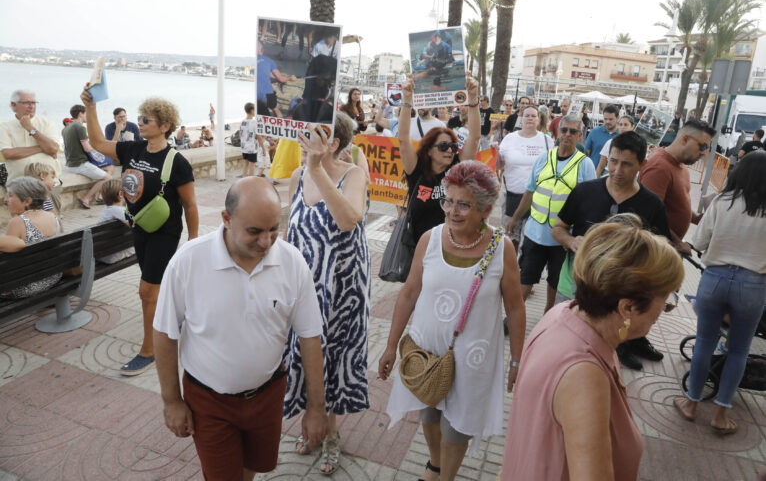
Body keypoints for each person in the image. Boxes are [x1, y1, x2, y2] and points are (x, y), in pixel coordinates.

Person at [153, 177, 328, 480]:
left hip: (268, 394)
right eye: (254, 231)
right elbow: (165, 333)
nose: (266, 242)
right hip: (208, 401)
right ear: (226, 219)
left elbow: (310, 337)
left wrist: (317, 408)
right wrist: (172, 400)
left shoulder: (292, 262)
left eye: (274, 229)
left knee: (253, 468)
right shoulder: (188, 261)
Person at [501, 218, 683, 481]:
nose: (666, 307)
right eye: (665, 298)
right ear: (627, 308)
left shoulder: (565, 313)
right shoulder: (584, 375)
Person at [379, 161, 526, 481]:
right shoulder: (429, 240)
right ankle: (435, 463)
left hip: (473, 358)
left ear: (486, 210)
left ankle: (445, 477)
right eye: (448, 201)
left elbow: (515, 308)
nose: (452, 211)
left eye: (464, 205)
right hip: (426, 351)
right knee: (429, 413)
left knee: (457, 427)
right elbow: (408, 294)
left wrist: (517, 360)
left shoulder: (503, 249)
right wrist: (390, 346)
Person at [80, 87, 199, 376]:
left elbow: (190, 204)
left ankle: (150, 349)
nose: (141, 122)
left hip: (164, 233)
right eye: (140, 118)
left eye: (147, 119)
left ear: (165, 126)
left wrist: (193, 241)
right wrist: (92, 107)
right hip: (139, 227)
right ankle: (174, 316)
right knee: (154, 288)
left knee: (146, 290)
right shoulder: (133, 149)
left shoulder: (176, 161)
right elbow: (97, 142)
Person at [283, 113, 370, 475]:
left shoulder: (354, 175)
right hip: (304, 288)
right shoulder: (295, 176)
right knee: (305, 355)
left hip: (344, 287)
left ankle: (331, 433)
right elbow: (290, 232)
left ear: (333, 143)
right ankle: (311, 422)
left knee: (336, 356)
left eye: (314, 133)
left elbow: (349, 218)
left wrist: (317, 168)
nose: (303, 137)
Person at [552, 131, 671, 371]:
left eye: (626, 164)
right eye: (613, 161)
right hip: (575, 286)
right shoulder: (585, 191)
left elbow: (661, 253)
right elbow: (558, 229)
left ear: (642, 165)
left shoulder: (652, 204)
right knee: (565, 344)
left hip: (620, 296)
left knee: (603, 353)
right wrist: (572, 242)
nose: (617, 170)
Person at [674, 151, 766, 435]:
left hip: (714, 278)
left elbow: (699, 240)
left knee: (703, 342)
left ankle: (691, 405)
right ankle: (721, 414)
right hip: (753, 285)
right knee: (738, 350)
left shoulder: (722, 201)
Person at [507, 114, 596, 311]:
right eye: (564, 130)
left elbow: (590, 203)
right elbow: (529, 191)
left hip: (563, 240)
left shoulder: (585, 164)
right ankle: (513, 318)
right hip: (534, 234)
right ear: (557, 132)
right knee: (526, 277)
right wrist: (515, 219)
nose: (567, 135)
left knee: (555, 284)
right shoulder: (543, 158)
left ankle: (548, 317)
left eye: (573, 132)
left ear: (579, 135)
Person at [398, 73, 480, 244]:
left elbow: (475, 137)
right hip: (418, 248)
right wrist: (407, 100)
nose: (449, 151)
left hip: (451, 246)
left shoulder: (457, 167)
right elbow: (403, 139)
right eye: (443, 146)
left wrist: (473, 98)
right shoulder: (416, 169)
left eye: (453, 147)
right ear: (429, 150)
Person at [638, 118, 716, 255]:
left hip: (667, 251)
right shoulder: (659, 168)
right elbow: (649, 216)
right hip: (656, 253)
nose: (704, 153)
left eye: (707, 148)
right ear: (685, 139)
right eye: (703, 146)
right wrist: (678, 243)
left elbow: (676, 204)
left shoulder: (680, 165)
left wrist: (698, 218)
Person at [498, 105, 552, 249]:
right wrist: (494, 153)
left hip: (538, 198)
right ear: (521, 119)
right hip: (512, 195)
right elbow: (499, 165)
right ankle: (510, 267)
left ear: (539, 119)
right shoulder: (509, 138)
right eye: (527, 115)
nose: (530, 118)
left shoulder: (547, 141)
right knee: (510, 239)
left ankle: (524, 269)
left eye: (533, 116)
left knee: (530, 240)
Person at [0, 177, 63, 297]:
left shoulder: (18, 222)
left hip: (24, 286)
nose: (5, 200)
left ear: (27, 201)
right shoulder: (54, 217)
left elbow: (7, 262)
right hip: (53, 277)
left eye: (10, 196)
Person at [0, 90, 61, 182]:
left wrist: (31, 128)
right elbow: (8, 153)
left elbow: (53, 149)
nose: (31, 106)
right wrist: (43, 147)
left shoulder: (47, 124)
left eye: (33, 103)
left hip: (49, 184)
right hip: (19, 184)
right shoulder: (4, 127)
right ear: (13, 105)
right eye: (26, 103)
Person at [63, 105, 113, 209]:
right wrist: (99, 150)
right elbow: (87, 148)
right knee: (108, 178)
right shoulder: (80, 127)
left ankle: (100, 195)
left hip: (70, 163)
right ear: (80, 114)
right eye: (86, 114)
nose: (87, 116)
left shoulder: (67, 128)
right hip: (80, 164)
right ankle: (86, 199)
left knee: (109, 167)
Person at [95, 179, 135, 264]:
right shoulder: (119, 211)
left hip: (102, 253)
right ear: (120, 194)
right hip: (111, 256)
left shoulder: (107, 210)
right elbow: (135, 226)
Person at [257, 41, 297, 117]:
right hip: (267, 95)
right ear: (261, 49)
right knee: (275, 109)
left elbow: (261, 78)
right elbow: (281, 78)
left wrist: (274, 80)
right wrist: (290, 78)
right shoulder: (268, 60)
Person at [584, 104, 619, 169]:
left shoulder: (621, 136)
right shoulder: (594, 132)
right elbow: (586, 154)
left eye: (611, 119)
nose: (607, 121)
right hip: (593, 173)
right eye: (605, 119)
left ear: (617, 118)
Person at [240, 103, 258, 178]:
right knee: (252, 165)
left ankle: (244, 180)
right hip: (252, 148)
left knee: (246, 164)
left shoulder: (242, 121)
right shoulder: (254, 122)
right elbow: (258, 136)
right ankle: (251, 183)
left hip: (244, 147)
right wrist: (263, 148)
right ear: (252, 110)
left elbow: (240, 134)